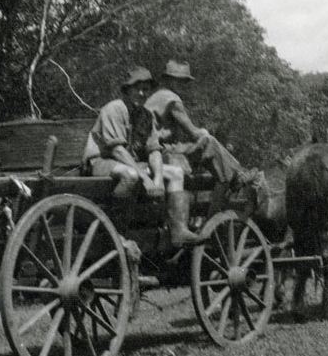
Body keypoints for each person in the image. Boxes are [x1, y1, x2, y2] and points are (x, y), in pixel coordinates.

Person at [82, 67, 203, 247]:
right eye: (137, 88)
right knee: (131, 175)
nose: (141, 93)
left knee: (176, 173)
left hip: (131, 164)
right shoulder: (114, 109)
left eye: (146, 89)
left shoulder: (145, 115)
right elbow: (117, 150)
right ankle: (116, 231)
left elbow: (154, 150)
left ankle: (179, 231)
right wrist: (146, 177)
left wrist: (159, 178)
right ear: (127, 90)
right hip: (101, 161)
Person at [144, 59, 266, 210]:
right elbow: (193, 132)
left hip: (154, 151)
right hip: (159, 152)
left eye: (184, 82)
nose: (182, 85)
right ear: (169, 80)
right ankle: (238, 174)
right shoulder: (172, 99)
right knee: (208, 141)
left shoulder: (158, 96)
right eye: (179, 81)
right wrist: (203, 132)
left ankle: (235, 174)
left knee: (206, 144)